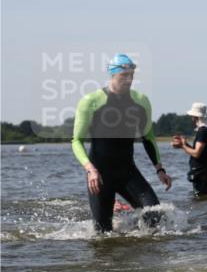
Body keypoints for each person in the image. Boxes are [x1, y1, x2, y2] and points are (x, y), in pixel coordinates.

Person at [72, 53, 172, 232]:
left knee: (155, 215)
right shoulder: (91, 101)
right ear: (112, 74)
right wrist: (90, 169)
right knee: (102, 232)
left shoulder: (141, 101)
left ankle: (139, 251)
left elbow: (147, 137)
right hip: (100, 176)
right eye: (124, 76)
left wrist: (159, 168)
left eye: (131, 75)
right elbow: (76, 141)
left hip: (128, 172)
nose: (128, 80)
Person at [173, 102, 207, 196]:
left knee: (199, 199)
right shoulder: (203, 130)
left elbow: (196, 153)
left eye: (192, 115)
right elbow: (198, 152)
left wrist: (182, 146)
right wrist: (184, 144)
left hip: (200, 173)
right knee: (201, 200)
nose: (191, 117)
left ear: (195, 116)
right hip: (202, 173)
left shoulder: (203, 131)